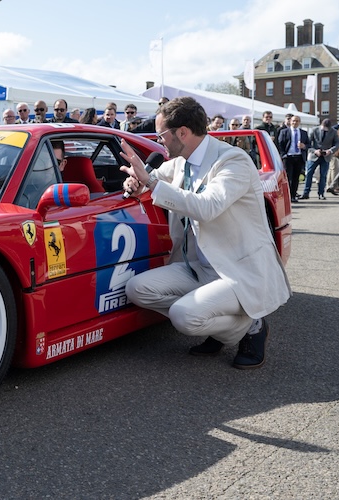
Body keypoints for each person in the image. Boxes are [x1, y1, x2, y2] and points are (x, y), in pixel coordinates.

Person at [118, 96, 290, 370]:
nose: (159, 141)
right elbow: (153, 183)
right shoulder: (178, 162)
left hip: (236, 271)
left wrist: (150, 182)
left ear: (182, 132)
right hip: (197, 266)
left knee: (183, 317)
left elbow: (208, 206)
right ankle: (217, 323)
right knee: (138, 289)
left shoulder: (233, 160)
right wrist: (139, 184)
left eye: (161, 135)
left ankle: (252, 327)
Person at [278, 116, 310, 201]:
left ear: (299, 122)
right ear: (290, 121)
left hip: (299, 157)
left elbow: (309, 144)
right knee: (288, 177)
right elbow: (280, 144)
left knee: (296, 178)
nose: (295, 123)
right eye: (293, 121)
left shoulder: (303, 133)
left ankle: (293, 196)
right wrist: (283, 155)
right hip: (288, 157)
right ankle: (287, 196)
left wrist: (304, 146)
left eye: (297, 121)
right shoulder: (284, 132)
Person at [306, 118, 339, 197]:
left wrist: (330, 151)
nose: (325, 130)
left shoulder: (334, 132)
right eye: (323, 128)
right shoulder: (314, 130)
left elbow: (338, 143)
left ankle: (321, 193)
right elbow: (308, 143)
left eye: (327, 129)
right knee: (309, 174)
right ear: (321, 125)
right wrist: (314, 151)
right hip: (314, 155)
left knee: (323, 175)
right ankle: (306, 192)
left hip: (326, 156)